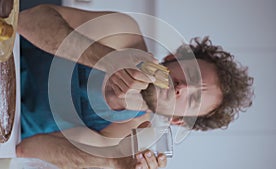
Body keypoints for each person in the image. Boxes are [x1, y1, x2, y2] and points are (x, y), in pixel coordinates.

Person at [16, 4, 254, 169]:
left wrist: (113, 163)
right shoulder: (123, 34)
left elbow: (27, 151)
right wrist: (103, 57)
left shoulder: (123, 138)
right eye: (191, 74)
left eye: (192, 101)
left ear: (177, 119)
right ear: (172, 58)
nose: (183, 88)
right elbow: (26, 20)